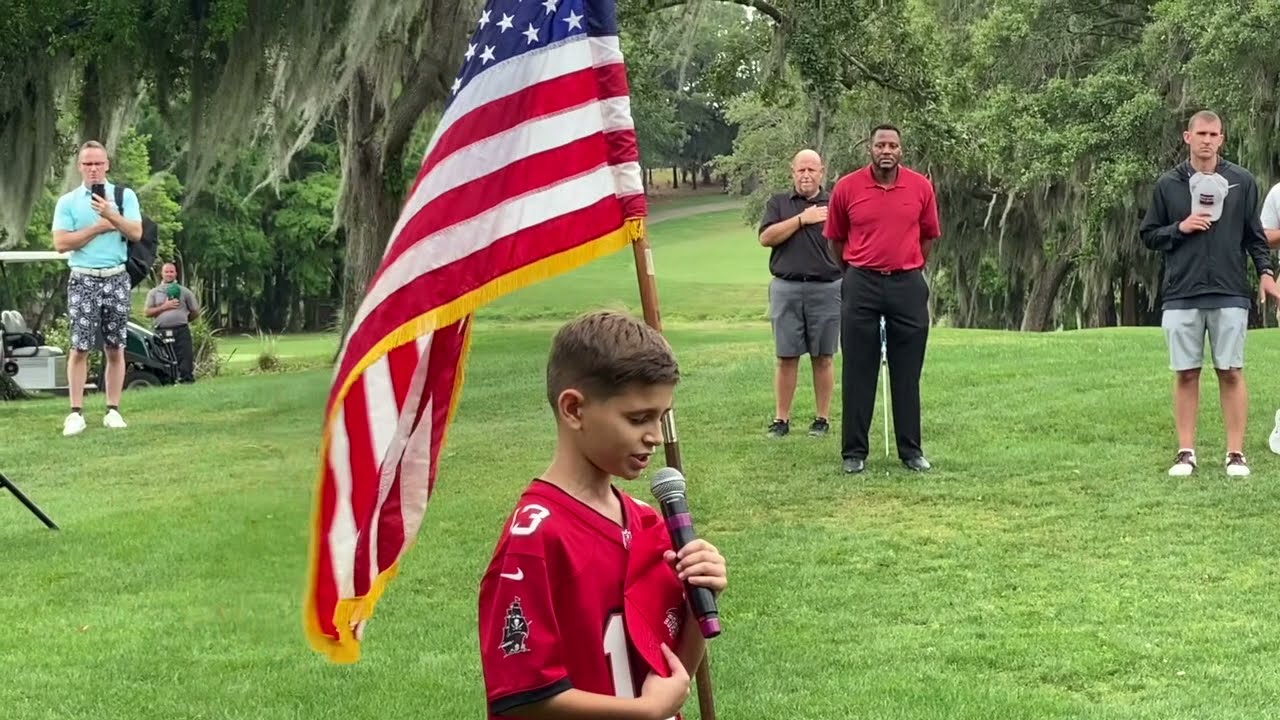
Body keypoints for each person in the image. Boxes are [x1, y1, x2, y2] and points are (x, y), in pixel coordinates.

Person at [477, 310, 728, 719]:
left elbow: (670, 674)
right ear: (574, 409)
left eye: (661, 417)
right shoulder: (535, 537)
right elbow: (522, 699)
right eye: (638, 418)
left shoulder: (648, 523)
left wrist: (700, 601)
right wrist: (643, 712)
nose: (654, 436)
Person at [1139, 109, 1280, 477]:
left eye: (1213, 134)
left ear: (1221, 139)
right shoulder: (1168, 184)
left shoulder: (1242, 182)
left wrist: (1265, 274)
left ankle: (1235, 454)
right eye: (1200, 134)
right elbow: (1149, 234)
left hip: (1230, 291)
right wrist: (1180, 227)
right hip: (1181, 292)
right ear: (1188, 137)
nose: (1207, 140)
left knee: (1230, 371)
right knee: (1186, 373)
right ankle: (1186, 452)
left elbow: (1255, 236)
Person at [823, 124, 941, 474]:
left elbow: (928, 236)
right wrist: (854, 271)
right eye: (880, 145)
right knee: (858, 368)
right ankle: (854, 452)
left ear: (901, 150)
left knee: (907, 370)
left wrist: (908, 264)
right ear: (870, 149)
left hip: (907, 283)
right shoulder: (848, 187)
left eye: (892, 145)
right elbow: (836, 239)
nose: (886, 151)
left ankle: (911, 451)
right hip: (861, 282)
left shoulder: (920, 187)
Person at [51, 140, 144, 436]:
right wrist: (98, 228)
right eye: (88, 164)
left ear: (107, 165)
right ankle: (75, 413)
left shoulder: (124, 196)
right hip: (83, 278)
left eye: (98, 163)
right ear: (80, 167)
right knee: (80, 346)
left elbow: (136, 232)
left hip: (116, 277)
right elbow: (61, 243)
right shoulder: (68, 202)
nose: (93, 169)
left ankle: (113, 409)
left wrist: (111, 214)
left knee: (115, 346)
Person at [757, 149, 843, 439]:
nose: (806, 175)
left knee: (823, 356)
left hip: (827, 289)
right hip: (787, 288)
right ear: (792, 172)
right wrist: (801, 220)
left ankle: (822, 419)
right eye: (801, 170)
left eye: (811, 170)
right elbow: (766, 238)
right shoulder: (779, 203)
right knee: (786, 356)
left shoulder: (834, 203)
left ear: (821, 172)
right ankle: (781, 419)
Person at [145, 262, 201, 383]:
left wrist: (184, 319)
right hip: (162, 330)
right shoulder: (154, 292)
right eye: (166, 272)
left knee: (185, 356)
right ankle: (166, 381)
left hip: (181, 330)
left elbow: (195, 311)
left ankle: (186, 380)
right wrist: (164, 307)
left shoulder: (185, 291)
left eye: (171, 272)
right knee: (163, 356)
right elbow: (147, 312)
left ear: (176, 274)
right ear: (162, 274)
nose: (169, 274)